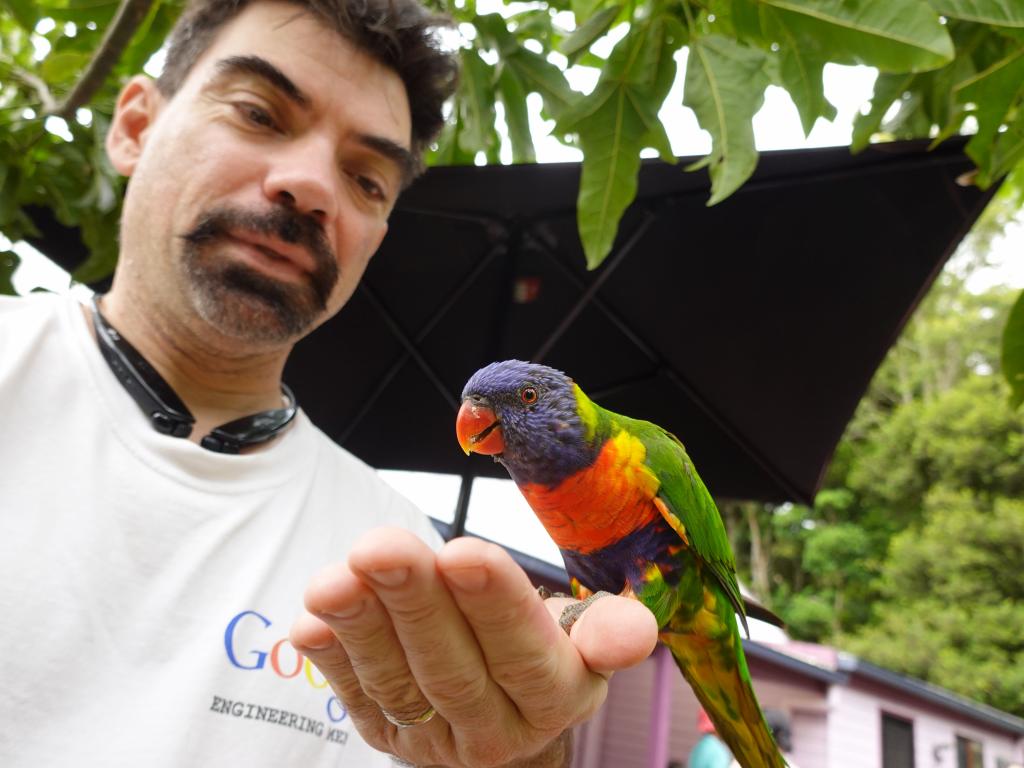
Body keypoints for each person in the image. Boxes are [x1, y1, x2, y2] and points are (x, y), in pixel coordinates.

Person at [0, 0, 658, 766]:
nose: (313, 186)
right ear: (136, 127)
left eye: (367, 180)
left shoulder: (406, 563)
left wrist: (520, 752)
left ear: (375, 240)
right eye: (258, 112)